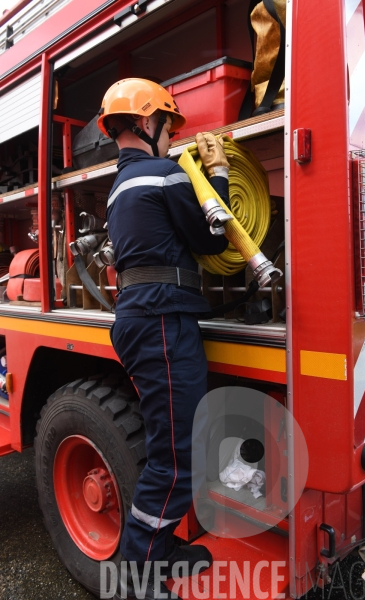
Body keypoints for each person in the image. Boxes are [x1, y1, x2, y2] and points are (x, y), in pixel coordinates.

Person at [97, 78, 231, 600]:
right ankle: (138, 575)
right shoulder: (163, 173)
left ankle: (161, 546)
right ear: (148, 122)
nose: (173, 139)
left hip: (145, 316)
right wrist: (217, 175)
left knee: (167, 445)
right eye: (169, 127)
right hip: (160, 320)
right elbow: (211, 237)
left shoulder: (123, 183)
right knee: (177, 455)